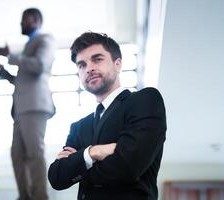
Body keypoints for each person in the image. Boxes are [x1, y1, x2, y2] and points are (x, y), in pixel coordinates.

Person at [48, 32, 167, 200]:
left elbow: (129, 165)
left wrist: (78, 162)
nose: (89, 68)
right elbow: (57, 177)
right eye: (82, 65)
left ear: (117, 64)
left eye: (97, 59)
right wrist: (93, 152)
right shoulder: (79, 127)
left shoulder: (144, 100)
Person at [0, 8, 56, 200]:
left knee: (35, 154)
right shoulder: (29, 46)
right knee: (17, 156)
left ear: (36, 20)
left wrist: (10, 55)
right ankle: (25, 196)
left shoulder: (46, 39)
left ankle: (40, 196)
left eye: (24, 20)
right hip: (20, 109)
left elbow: (39, 66)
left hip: (35, 106)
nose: (21, 23)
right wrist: (3, 70)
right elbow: (22, 79)